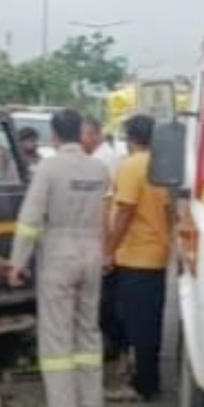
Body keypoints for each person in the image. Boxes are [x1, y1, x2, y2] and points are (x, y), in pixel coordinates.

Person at [6, 109, 111, 407]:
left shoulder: (48, 168)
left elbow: (30, 219)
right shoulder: (98, 169)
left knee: (56, 333)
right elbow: (107, 213)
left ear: (54, 135)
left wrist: (17, 262)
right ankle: (92, 406)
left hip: (59, 254)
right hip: (92, 251)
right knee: (88, 331)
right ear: (80, 132)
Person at [105, 114, 171, 402]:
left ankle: (143, 385)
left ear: (129, 137)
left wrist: (109, 248)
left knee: (135, 324)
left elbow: (125, 210)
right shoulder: (163, 165)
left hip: (136, 255)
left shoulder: (133, 166)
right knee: (148, 323)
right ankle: (146, 379)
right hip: (156, 252)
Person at [80, 116, 128, 368]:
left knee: (105, 301)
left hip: (104, 240)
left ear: (95, 134)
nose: (80, 141)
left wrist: (105, 249)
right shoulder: (106, 158)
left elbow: (106, 208)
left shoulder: (102, 161)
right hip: (108, 240)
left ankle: (116, 347)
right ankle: (116, 347)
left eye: (83, 135)